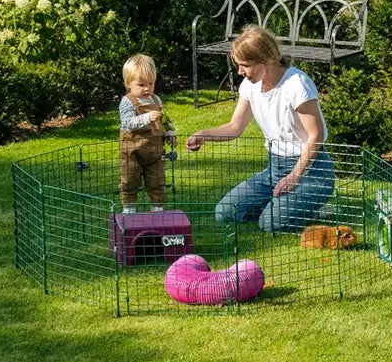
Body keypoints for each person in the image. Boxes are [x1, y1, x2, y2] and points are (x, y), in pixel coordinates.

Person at [186, 25, 335, 232]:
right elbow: (235, 127)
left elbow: (316, 135)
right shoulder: (250, 86)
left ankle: (306, 205)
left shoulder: (297, 84)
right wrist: (203, 135)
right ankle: (285, 206)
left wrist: (294, 176)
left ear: (266, 59)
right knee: (225, 212)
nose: (240, 72)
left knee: (270, 224)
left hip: (311, 172)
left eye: (245, 65)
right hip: (274, 170)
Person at [119, 54, 169, 213]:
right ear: (128, 84)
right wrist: (147, 117)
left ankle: (157, 208)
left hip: (154, 151)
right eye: (141, 84)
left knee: (157, 180)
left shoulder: (156, 100)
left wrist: (169, 133)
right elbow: (127, 122)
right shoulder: (127, 101)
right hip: (132, 151)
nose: (147, 88)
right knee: (130, 179)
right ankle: (129, 209)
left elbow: (164, 120)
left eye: (151, 83)